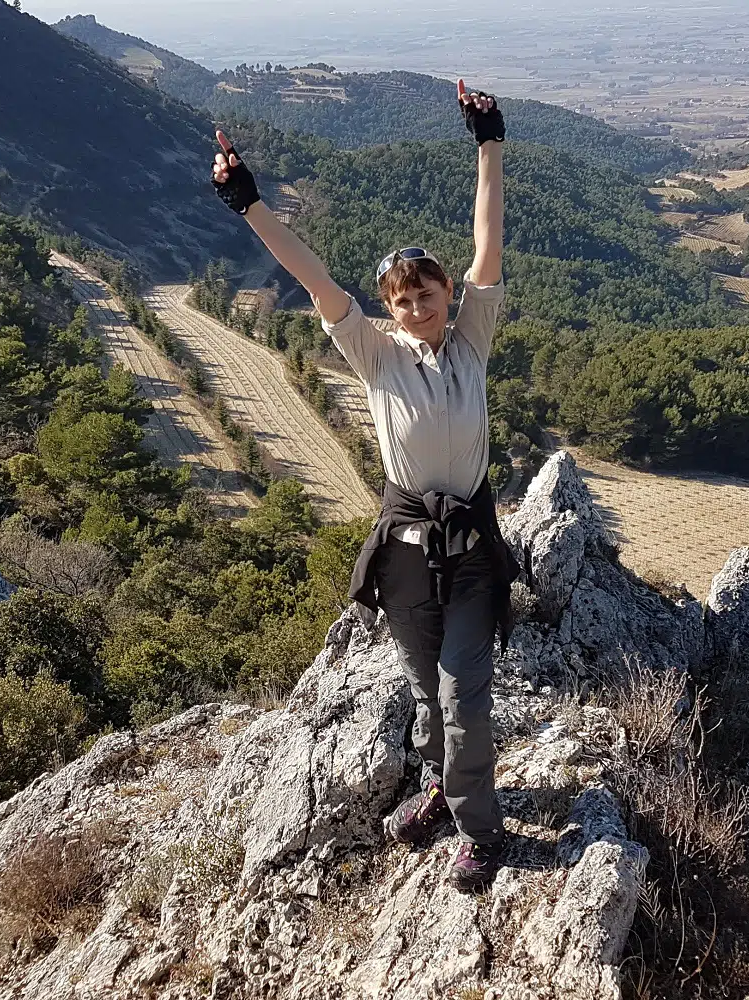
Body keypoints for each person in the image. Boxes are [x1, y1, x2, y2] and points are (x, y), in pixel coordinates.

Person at [209, 81, 520, 892]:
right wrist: (250, 206)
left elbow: (487, 242)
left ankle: (480, 831)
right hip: (406, 554)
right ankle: (438, 791)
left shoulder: (472, 341)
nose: (416, 308)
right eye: (402, 300)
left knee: (462, 694)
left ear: (448, 296)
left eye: (427, 294)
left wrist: (489, 144)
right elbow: (314, 278)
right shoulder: (376, 355)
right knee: (425, 692)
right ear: (389, 309)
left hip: (471, 550)